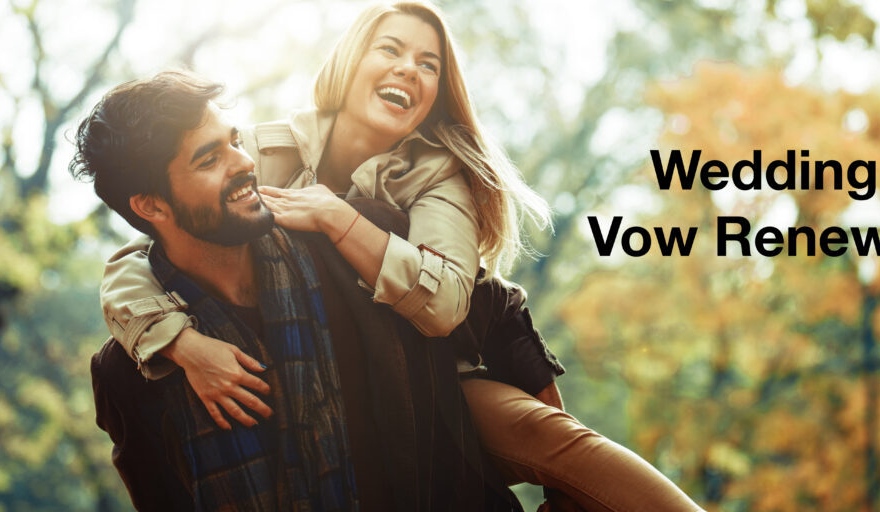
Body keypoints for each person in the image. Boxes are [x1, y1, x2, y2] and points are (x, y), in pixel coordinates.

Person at [97, 2, 703, 511]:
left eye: (428, 64)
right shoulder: (263, 148)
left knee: (553, 443)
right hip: (340, 366)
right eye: (390, 50)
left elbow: (447, 306)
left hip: (437, 362)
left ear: (439, 91)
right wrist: (180, 342)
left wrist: (337, 217)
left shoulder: (438, 177)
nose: (408, 69)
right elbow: (145, 252)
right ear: (352, 61)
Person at [75, 71, 521, 511]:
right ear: (151, 205)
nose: (244, 162)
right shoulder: (129, 374)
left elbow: (492, 310)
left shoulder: (349, 241)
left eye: (233, 141)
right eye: (209, 160)